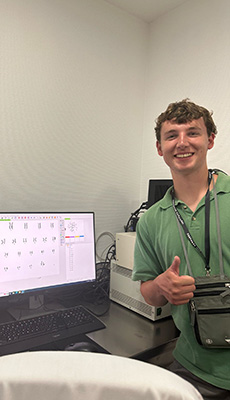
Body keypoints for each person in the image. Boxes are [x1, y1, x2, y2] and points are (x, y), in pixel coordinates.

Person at [132, 99, 230, 400]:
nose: (182, 143)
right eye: (172, 135)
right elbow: (148, 291)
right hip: (194, 369)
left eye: (193, 133)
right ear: (160, 148)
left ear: (210, 140)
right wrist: (161, 285)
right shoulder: (150, 221)